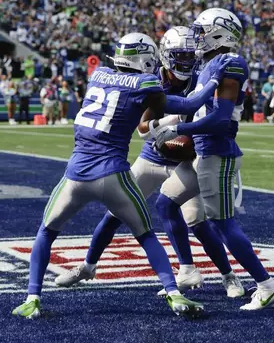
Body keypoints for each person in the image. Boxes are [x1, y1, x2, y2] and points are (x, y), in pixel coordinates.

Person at [12, 32, 204, 319]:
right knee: (146, 235)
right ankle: (174, 295)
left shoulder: (98, 73)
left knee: (46, 232)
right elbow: (187, 106)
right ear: (145, 58)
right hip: (114, 175)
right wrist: (214, 82)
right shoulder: (145, 82)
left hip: (76, 175)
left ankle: (32, 298)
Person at [55, 26, 243, 299]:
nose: (186, 62)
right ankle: (87, 266)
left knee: (197, 220)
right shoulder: (150, 78)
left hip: (186, 160)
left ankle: (227, 276)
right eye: (180, 56)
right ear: (165, 56)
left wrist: (182, 128)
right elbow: (143, 129)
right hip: (152, 156)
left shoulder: (202, 76)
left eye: (190, 56)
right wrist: (174, 122)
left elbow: (214, 116)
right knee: (115, 214)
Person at [150, 8, 274, 311]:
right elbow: (194, 107)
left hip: (217, 153)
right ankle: (187, 269)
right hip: (202, 153)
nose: (197, 37)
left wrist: (177, 128)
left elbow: (220, 119)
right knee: (165, 203)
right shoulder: (209, 65)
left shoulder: (230, 63)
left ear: (218, 33)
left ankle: (267, 285)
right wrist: (166, 119)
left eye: (201, 31)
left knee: (223, 223)